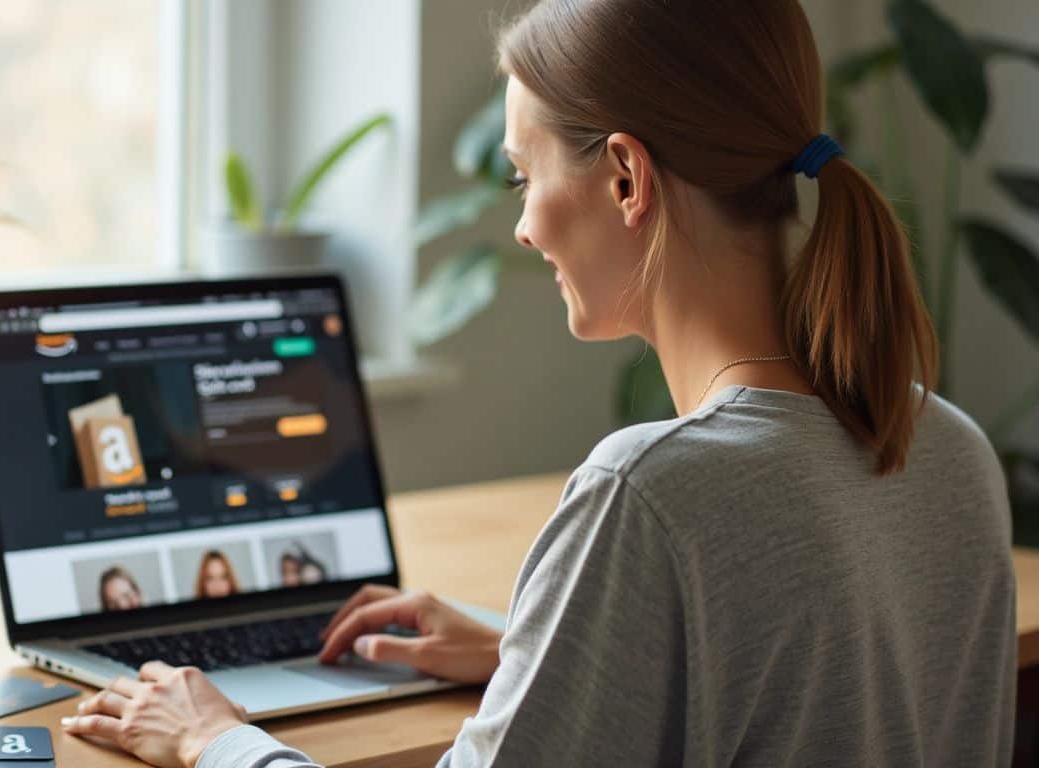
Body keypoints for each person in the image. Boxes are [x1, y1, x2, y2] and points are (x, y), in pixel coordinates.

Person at [61, 1, 1016, 765]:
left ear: (627, 180)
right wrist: (535, 650)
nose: (521, 227)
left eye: (524, 179)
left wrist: (214, 738)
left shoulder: (649, 492)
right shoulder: (948, 446)